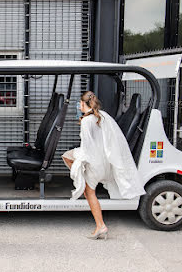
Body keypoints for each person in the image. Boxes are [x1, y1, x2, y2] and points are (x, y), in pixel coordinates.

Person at [62, 91, 145, 239]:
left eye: (79, 103)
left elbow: (87, 147)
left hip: (94, 163)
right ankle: (84, 186)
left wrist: (79, 162)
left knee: (89, 191)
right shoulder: (102, 116)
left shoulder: (86, 122)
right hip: (105, 160)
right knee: (87, 190)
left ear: (83, 103)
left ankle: (101, 226)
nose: (78, 106)